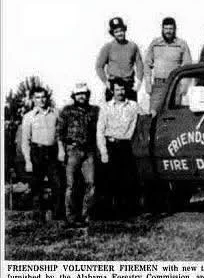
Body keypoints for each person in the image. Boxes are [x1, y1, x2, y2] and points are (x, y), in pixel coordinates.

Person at [96, 77, 141, 217]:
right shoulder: (106, 107)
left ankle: (126, 212)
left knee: (127, 179)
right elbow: (100, 131)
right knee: (109, 180)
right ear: (112, 91)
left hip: (126, 146)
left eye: (122, 89)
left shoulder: (133, 106)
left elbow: (144, 117)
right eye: (117, 89)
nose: (120, 92)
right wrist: (103, 152)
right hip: (110, 145)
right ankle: (109, 213)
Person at [56, 83, 99, 227]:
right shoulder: (67, 111)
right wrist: (61, 151)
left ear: (88, 95)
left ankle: (86, 216)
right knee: (71, 185)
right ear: (74, 96)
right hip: (72, 150)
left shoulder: (94, 111)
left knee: (91, 184)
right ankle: (70, 218)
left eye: (84, 93)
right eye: (78, 94)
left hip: (89, 151)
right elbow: (59, 133)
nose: (82, 96)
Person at [21, 87, 62, 221]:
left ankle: (57, 216)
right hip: (36, 153)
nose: (41, 100)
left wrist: (61, 151)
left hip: (52, 152)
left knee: (57, 183)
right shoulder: (28, 117)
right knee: (36, 185)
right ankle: (39, 217)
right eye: (38, 97)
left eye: (43, 97)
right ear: (33, 99)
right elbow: (25, 141)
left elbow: (59, 135)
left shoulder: (56, 113)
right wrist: (28, 161)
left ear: (47, 97)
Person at [144, 17, 192, 116]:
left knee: (174, 114)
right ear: (162, 29)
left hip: (175, 85)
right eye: (166, 29)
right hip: (158, 84)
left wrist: (184, 86)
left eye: (170, 29)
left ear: (175, 29)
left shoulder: (181, 44)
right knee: (153, 113)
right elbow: (147, 64)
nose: (168, 31)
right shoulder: (155, 43)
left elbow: (187, 65)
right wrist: (148, 83)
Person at [95, 17, 144, 101]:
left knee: (131, 111)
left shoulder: (132, 46)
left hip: (129, 84)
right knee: (112, 112)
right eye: (116, 32)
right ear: (112, 33)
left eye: (121, 30)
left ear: (124, 30)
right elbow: (99, 66)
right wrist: (106, 83)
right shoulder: (108, 47)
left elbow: (139, 64)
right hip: (113, 85)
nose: (119, 33)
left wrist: (139, 82)